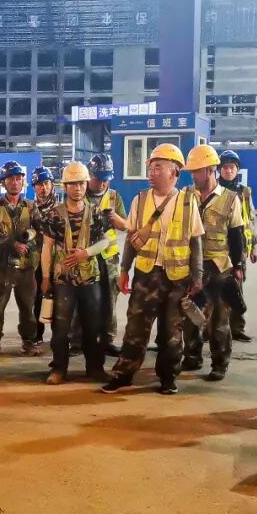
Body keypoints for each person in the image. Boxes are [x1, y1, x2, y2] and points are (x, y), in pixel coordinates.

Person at [102, 144, 204, 396]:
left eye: (158, 167)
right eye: (151, 167)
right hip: (146, 276)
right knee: (135, 329)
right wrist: (124, 270)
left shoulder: (188, 202)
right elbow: (132, 238)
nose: (152, 172)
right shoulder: (140, 200)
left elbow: (196, 241)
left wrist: (198, 276)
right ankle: (123, 375)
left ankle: (168, 377)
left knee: (172, 333)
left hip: (177, 279)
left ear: (174, 171)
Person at [40, 161, 114, 385]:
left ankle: (95, 368)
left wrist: (86, 253)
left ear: (86, 184)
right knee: (61, 327)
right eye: (72, 184)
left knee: (93, 326)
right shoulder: (54, 215)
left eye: (81, 183)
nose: (77, 188)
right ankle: (59, 369)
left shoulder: (96, 213)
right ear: (65, 186)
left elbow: (106, 241)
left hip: (90, 278)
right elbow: (47, 247)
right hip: (63, 280)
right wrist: (46, 277)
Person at [180, 145, 247, 382]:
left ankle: (220, 363)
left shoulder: (230, 199)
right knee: (190, 314)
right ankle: (192, 356)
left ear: (209, 170)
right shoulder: (186, 195)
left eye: (196, 171)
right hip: (191, 266)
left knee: (218, 319)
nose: (193, 176)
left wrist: (237, 266)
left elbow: (236, 234)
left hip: (218, 267)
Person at [0, 161, 42, 357]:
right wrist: (12, 244)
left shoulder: (31, 206)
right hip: (2, 267)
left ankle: (28, 342)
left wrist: (29, 241)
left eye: (18, 178)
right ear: (3, 182)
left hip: (26, 267)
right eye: (10, 178)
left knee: (27, 307)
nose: (15, 182)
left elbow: (40, 232)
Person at [86, 154, 129, 356]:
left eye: (106, 179)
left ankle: (108, 339)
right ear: (90, 175)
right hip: (87, 257)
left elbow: (125, 225)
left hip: (109, 258)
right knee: (87, 300)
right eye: (98, 178)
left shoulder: (113, 197)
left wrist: (115, 218)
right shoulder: (80, 193)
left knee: (110, 299)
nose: (102, 183)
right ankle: (81, 339)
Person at [218, 149, 257, 342]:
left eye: (231, 167)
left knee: (236, 288)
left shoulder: (244, 192)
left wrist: (253, 247)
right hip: (218, 248)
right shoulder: (214, 190)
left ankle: (237, 328)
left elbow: (250, 219)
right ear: (219, 170)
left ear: (237, 170)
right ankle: (211, 328)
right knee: (214, 290)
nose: (228, 171)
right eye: (225, 167)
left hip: (239, 248)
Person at [31, 165, 57, 344]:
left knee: (61, 299)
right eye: (40, 184)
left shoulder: (61, 208)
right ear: (34, 187)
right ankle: (37, 335)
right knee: (37, 298)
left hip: (58, 260)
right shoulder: (30, 208)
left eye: (47, 183)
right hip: (37, 260)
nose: (44, 187)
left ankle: (58, 336)